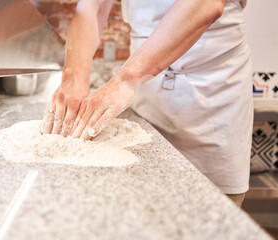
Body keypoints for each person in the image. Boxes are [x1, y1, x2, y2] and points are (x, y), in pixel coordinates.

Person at [42, 0, 252, 207]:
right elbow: (92, 5)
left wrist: (124, 80)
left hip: (212, 93)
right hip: (147, 93)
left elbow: (206, 3)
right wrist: (74, 76)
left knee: (211, 216)